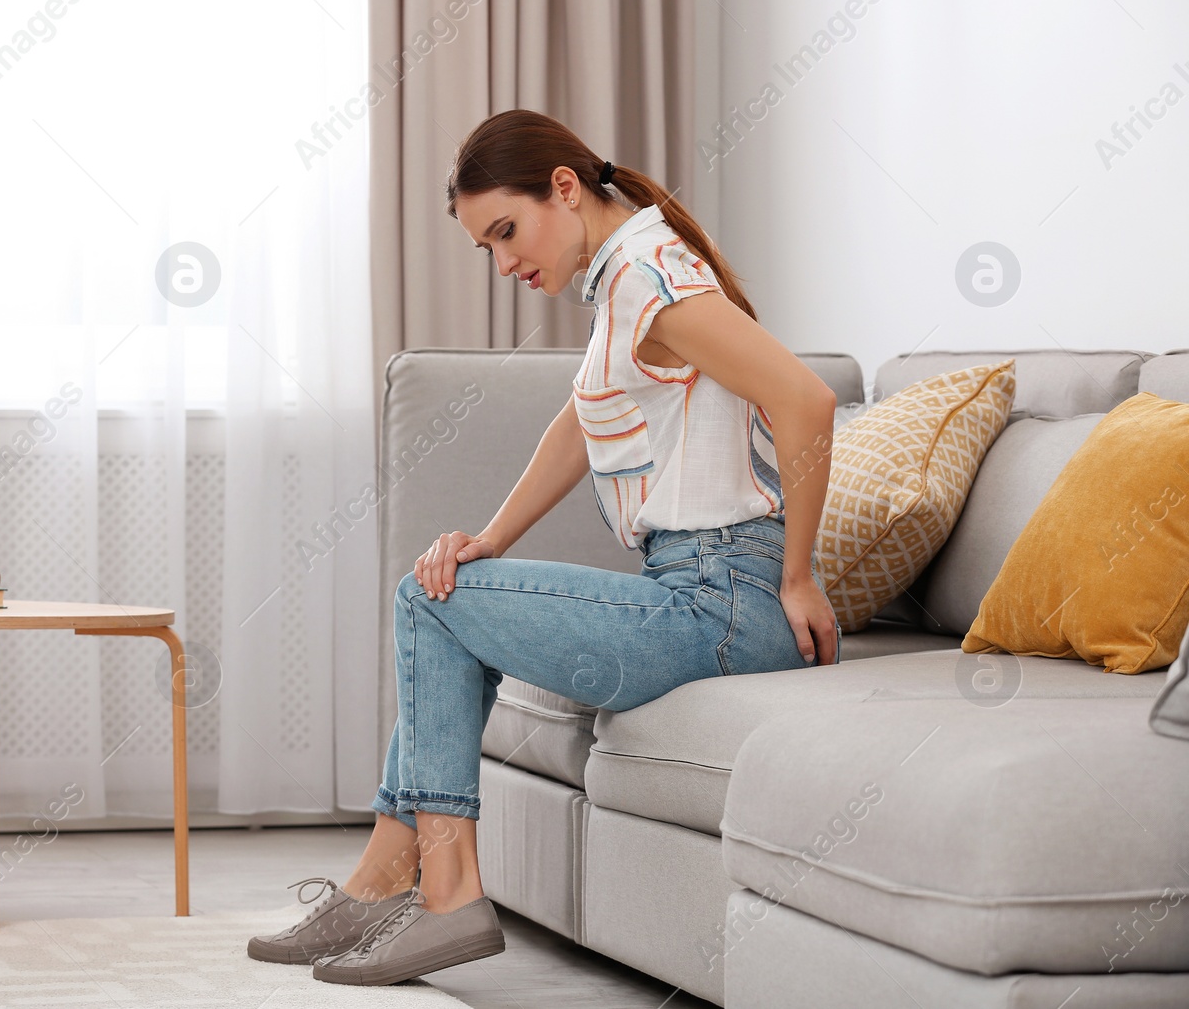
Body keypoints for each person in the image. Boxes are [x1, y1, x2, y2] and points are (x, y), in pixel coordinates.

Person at [248, 108, 842, 987]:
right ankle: (380, 880)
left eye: (506, 232)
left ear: (563, 188)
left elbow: (808, 400)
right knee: (451, 587)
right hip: (702, 585)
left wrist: (796, 574)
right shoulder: (624, 277)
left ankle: (442, 893)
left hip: (723, 596)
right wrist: (489, 540)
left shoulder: (649, 276)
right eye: (486, 246)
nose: (505, 263)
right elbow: (578, 425)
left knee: (428, 600)